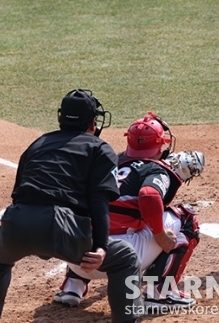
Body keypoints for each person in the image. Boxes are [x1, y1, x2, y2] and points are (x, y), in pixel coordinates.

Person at [0, 89, 143, 323]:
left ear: (60, 118)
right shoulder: (99, 148)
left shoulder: (38, 143)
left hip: (18, 222)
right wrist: (101, 247)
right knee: (125, 257)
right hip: (63, 228)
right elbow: (98, 200)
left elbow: (18, 192)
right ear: (93, 122)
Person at [54, 112, 205, 311]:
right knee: (186, 217)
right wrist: (159, 234)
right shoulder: (155, 169)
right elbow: (149, 195)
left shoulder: (105, 161)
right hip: (120, 259)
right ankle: (160, 293)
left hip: (75, 255)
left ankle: (72, 287)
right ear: (160, 145)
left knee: (91, 214)